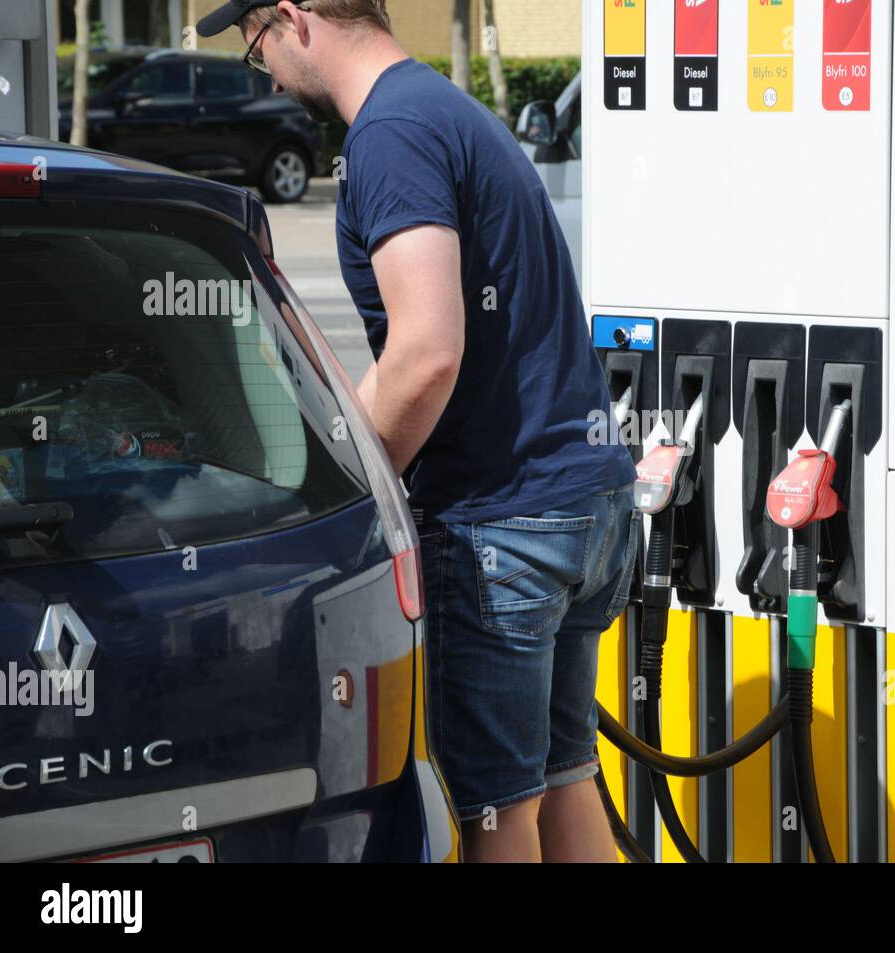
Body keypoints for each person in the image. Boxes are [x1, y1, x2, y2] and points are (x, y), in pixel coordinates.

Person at [196, 0, 638, 863]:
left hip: (501, 522)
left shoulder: (389, 134)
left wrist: (351, 500)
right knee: (564, 778)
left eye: (258, 49)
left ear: (293, 18)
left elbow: (426, 350)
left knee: (497, 812)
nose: (267, 72)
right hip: (585, 499)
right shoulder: (450, 108)